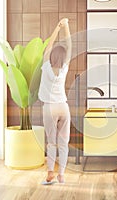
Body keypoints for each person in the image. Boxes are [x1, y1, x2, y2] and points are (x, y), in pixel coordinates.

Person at [38, 18, 72, 184]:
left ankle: (51, 173)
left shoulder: (45, 66)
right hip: (63, 107)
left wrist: (57, 28)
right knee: (64, 143)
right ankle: (62, 175)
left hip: (49, 108)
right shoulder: (65, 67)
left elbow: (49, 46)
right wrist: (66, 27)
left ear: (51, 55)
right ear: (64, 57)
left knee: (52, 143)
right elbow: (70, 45)